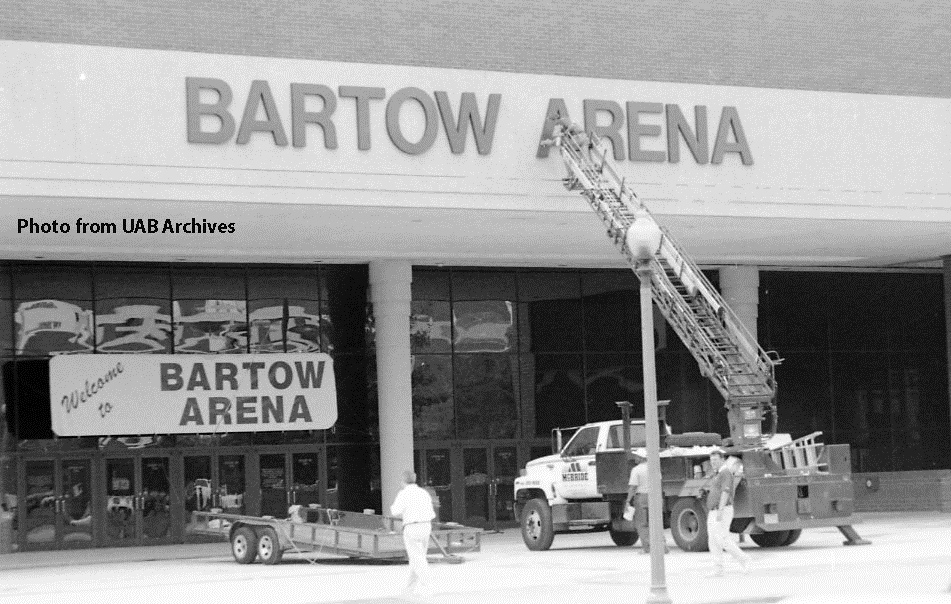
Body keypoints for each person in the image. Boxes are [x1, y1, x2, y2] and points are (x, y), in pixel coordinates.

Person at [390, 470, 437, 598]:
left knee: (417, 558)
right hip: (426, 525)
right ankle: (408, 589)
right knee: (418, 558)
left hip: (412, 526)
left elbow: (395, 511)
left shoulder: (403, 493)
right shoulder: (423, 492)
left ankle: (428, 586)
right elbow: (431, 512)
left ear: (403, 481)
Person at [705, 449, 751, 576]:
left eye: (715, 460)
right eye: (711, 460)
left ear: (722, 460)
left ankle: (744, 559)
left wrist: (720, 509)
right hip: (714, 510)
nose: (713, 462)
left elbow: (725, 492)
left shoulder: (725, 473)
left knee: (722, 539)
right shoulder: (718, 474)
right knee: (713, 540)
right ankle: (718, 568)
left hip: (722, 510)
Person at [626, 454, 667, 554]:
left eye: (636, 456)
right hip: (655, 496)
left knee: (642, 524)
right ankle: (663, 547)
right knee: (656, 523)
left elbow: (633, 487)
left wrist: (628, 501)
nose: (635, 458)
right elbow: (660, 484)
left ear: (641, 458)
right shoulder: (655, 468)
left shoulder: (636, 470)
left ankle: (648, 548)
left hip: (642, 497)